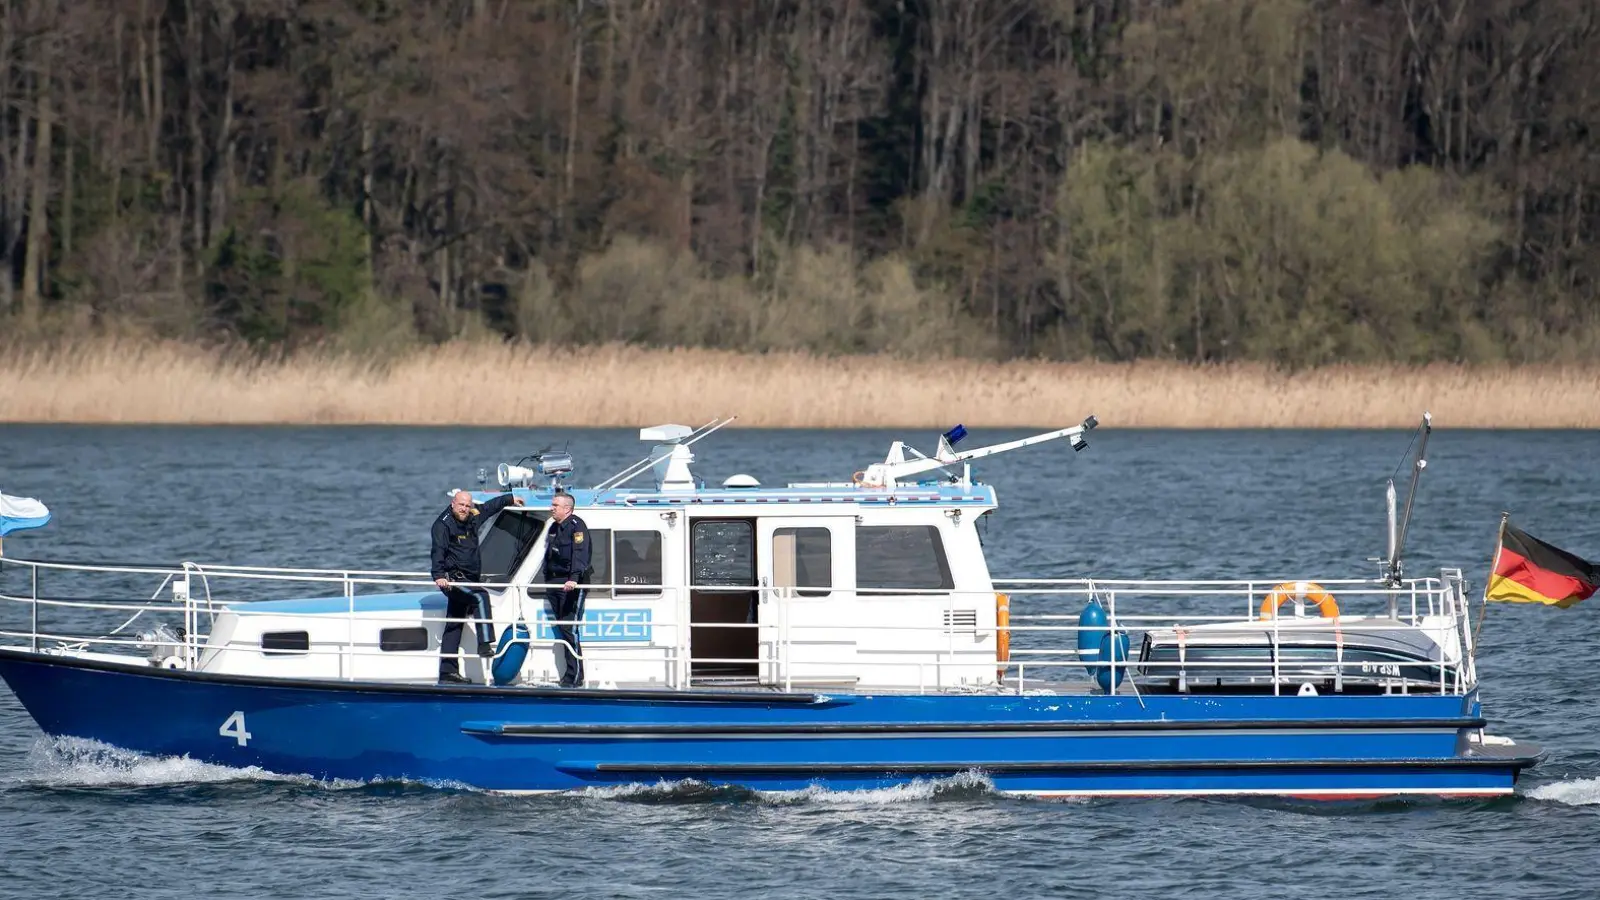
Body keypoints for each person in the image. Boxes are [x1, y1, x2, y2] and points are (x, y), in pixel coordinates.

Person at [430, 488, 525, 683]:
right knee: (480, 597)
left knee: (454, 625)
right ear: (453, 504)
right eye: (461, 505)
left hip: (470, 578)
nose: (464, 509)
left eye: (467, 505)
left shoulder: (472, 516)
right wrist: (438, 575)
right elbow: (438, 551)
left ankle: (447, 672)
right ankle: (484, 644)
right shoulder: (443, 525)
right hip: (453, 579)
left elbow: (489, 508)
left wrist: (509, 498)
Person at [543, 491, 592, 687]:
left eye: (555, 505)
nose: (551, 508)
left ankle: (576, 676)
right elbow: (549, 555)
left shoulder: (576, 526)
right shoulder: (554, 527)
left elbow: (580, 554)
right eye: (552, 505)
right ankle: (568, 675)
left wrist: (574, 579)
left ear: (567, 509)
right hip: (554, 583)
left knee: (570, 629)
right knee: (563, 629)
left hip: (570, 585)